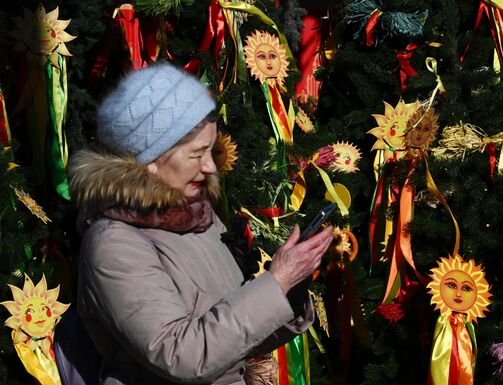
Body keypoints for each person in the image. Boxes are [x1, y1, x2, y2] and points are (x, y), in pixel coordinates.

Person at [67, 62, 333, 385]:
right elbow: (182, 355)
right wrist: (275, 284)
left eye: (211, 150)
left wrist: (289, 291)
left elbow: (232, 341)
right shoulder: (112, 244)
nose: (209, 166)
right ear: (150, 160)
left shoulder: (195, 216)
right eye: (197, 153)